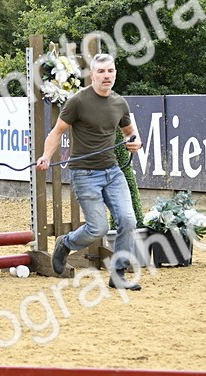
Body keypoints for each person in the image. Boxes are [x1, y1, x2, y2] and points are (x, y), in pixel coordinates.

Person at [36, 53, 143, 291]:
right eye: (101, 72)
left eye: (110, 71)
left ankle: (118, 275)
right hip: (84, 174)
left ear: (115, 73)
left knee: (128, 219)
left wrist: (135, 142)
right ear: (92, 75)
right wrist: (45, 156)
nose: (107, 76)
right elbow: (57, 132)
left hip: (113, 171)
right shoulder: (78, 101)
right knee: (98, 228)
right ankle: (66, 242)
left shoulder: (119, 103)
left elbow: (130, 133)